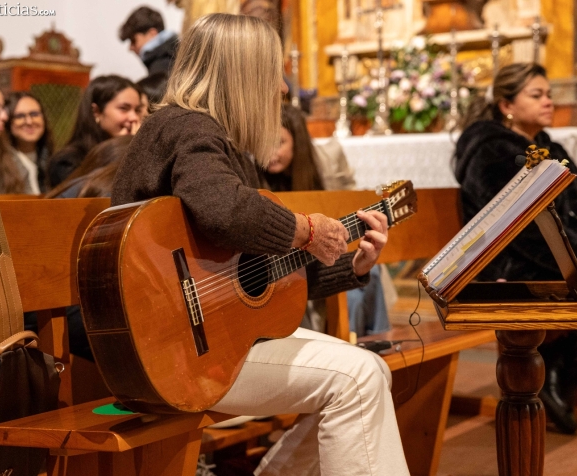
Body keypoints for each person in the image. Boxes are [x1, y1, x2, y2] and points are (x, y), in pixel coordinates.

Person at [112, 14, 409, 475]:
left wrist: (353, 266)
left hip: (195, 340)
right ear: (243, 76)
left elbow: (261, 275)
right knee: (359, 377)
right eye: (274, 73)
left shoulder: (210, 138)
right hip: (172, 351)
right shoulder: (188, 128)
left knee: (368, 373)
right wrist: (308, 230)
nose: (284, 90)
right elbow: (224, 211)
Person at [455, 62, 577, 434]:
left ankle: (555, 371)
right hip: (511, 267)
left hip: (563, 261)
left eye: (549, 94)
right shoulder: (490, 149)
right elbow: (518, 228)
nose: (549, 102)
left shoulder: (550, 146)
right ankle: (549, 374)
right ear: (506, 104)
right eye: (536, 95)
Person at [263, 103, 393, 336]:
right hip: (281, 272)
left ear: (298, 143)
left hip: (325, 258)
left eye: (279, 143)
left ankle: (379, 340)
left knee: (372, 273)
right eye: (264, 143)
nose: (269, 153)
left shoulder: (322, 170)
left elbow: (346, 211)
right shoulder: (254, 176)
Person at [46, 75, 142, 188]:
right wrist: (120, 146)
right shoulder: (67, 162)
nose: (134, 117)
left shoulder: (138, 152)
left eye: (137, 110)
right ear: (96, 111)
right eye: (124, 108)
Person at [6, 92, 54, 193]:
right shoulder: (2, 164)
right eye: (20, 116)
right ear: (8, 122)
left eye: (34, 114)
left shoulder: (52, 160)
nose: (29, 121)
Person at [119, 6, 178, 78]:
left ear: (152, 34)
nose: (130, 48)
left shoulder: (161, 68)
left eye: (133, 40)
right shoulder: (179, 53)